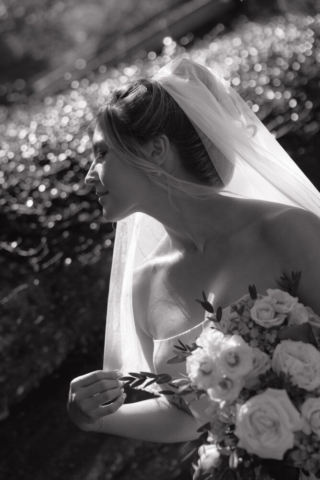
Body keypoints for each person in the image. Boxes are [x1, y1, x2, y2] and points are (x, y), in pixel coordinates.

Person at [67, 58, 320, 445]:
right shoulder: (143, 286)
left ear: (155, 150)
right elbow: (192, 414)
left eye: (102, 154)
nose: (89, 174)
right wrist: (95, 420)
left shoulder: (287, 231)